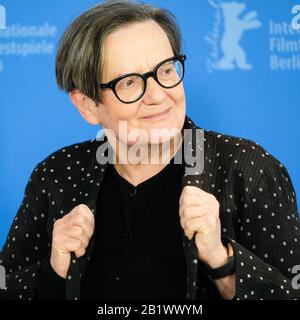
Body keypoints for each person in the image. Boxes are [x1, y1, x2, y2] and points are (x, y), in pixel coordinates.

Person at [0, 0, 299, 301]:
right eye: (129, 82)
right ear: (87, 105)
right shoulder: (56, 175)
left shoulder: (250, 170)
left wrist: (223, 263)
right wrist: (52, 273)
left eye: (166, 70)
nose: (158, 95)